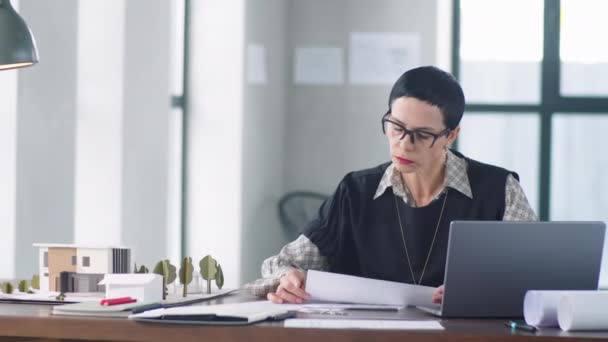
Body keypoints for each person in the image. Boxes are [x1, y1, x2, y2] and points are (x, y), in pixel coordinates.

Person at [244, 66, 537, 304]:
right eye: (396, 127)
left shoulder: (499, 189)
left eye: (422, 135)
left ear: (451, 135)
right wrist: (288, 278)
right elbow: (282, 263)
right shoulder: (356, 191)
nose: (404, 145)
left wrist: (486, 291)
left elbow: (534, 274)